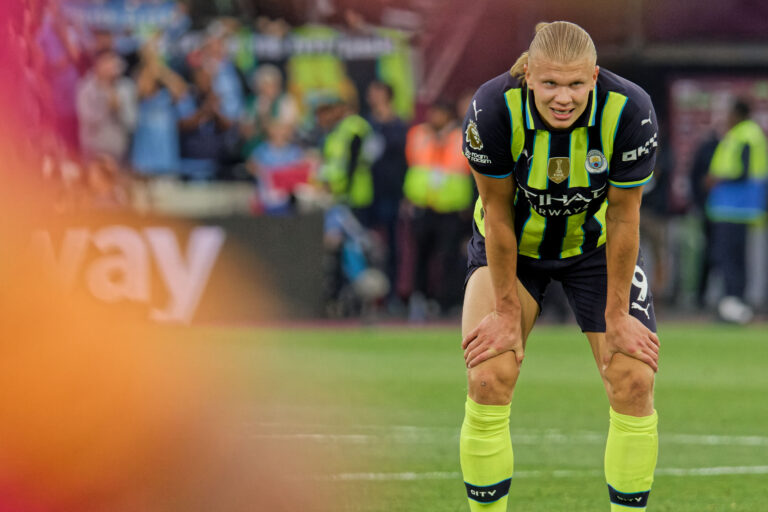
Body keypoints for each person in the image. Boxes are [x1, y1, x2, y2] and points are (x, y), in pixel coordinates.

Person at [459, 21, 660, 512]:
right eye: (550, 83)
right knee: (488, 375)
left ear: (594, 76)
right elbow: (499, 217)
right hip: (513, 248)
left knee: (634, 379)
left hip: (596, 250)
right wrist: (506, 311)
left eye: (575, 84)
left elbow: (626, 217)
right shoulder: (492, 108)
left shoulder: (630, 110)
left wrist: (617, 315)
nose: (563, 98)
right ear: (529, 75)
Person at [403, 99, 473, 320]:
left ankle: (449, 301)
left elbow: (467, 169)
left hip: (451, 207)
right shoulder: (419, 134)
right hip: (423, 205)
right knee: (421, 256)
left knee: (450, 257)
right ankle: (420, 299)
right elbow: (413, 164)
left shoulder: (462, 135)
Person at [705, 98, 768, 323]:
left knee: (729, 259)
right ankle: (735, 305)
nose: (727, 117)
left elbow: (743, 172)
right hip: (733, 208)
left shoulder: (746, 135)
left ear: (739, 113)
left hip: (736, 208)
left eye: (730, 112)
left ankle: (734, 305)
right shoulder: (743, 133)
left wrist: (716, 179)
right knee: (733, 259)